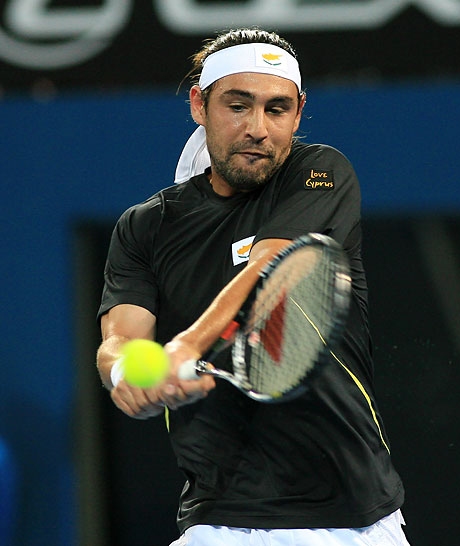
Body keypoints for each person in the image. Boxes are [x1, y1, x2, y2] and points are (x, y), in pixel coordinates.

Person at [97, 28, 411, 546]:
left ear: (299, 112)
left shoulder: (320, 173)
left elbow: (272, 268)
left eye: (276, 109)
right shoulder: (145, 227)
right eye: (238, 106)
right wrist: (127, 373)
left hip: (353, 521)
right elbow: (120, 339)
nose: (258, 129)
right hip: (217, 520)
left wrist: (186, 346)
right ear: (199, 105)